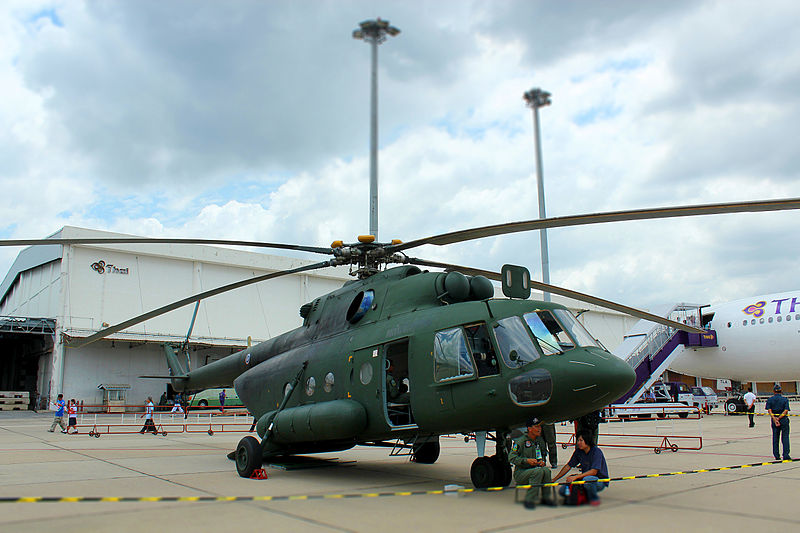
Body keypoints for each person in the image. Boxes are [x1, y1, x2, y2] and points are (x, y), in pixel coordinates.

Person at [508, 417, 557, 509]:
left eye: (540, 427)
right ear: (529, 429)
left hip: (534, 470)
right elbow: (511, 457)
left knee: (546, 471)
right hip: (521, 473)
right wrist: (526, 461)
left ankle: (546, 498)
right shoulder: (521, 441)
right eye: (536, 427)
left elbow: (542, 454)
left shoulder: (539, 441)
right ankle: (529, 499)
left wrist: (541, 461)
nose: (539, 429)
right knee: (538, 472)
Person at [552, 429, 609, 506]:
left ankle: (593, 498)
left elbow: (594, 472)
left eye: (581, 440)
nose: (578, 443)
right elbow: (568, 466)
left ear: (587, 440)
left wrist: (576, 477)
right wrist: (555, 479)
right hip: (584, 479)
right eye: (578, 440)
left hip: (598, 481)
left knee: (588, 480)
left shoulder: (596, 451)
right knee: (563, 491)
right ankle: (584, 495)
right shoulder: (579, 452)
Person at [765, 384, 790, 460]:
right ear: (781, 391)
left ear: (773, 391)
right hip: (783, 420)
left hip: (774, 420)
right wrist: (779, 418)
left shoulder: (770, 400)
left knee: (775, 437)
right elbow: (786, 411)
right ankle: (786, 455)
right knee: (785, 437)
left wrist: (775, 419)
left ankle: (776, 455)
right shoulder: (785, 399)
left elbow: (769, 410)